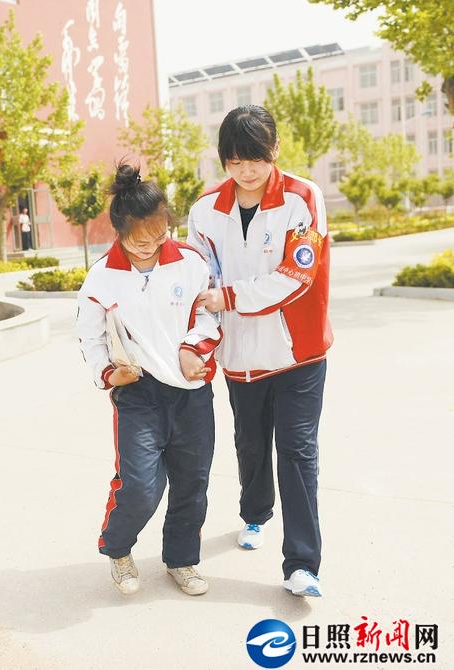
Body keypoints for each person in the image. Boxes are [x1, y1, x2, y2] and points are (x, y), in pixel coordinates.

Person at [187, 105, 333, 598]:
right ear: (223, 159)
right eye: (235, 161)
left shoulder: (302, 198)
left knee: (298, 452)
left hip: (299, 354)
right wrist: (199, 342)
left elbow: (297, 276)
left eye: (256, 159)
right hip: (241, 358)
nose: (247, 171)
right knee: (250, 446)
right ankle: (255, 514)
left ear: (274, 151)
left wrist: (229, 297)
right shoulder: (205, 209)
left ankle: (302, 565)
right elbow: (198, 284)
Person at [77, 162, 222, 596]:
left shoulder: (190, 262)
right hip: (138, 394)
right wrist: (109, 374)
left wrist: (193, 348)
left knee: (192, 483)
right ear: (119, 231)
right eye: (141, 241)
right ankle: (118, 549)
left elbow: (208, 315)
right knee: (140, 485)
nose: (153, 247)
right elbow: (89, 337)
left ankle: (182, 560)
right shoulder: (102, 277)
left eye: (160, 236)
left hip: (191, 392)